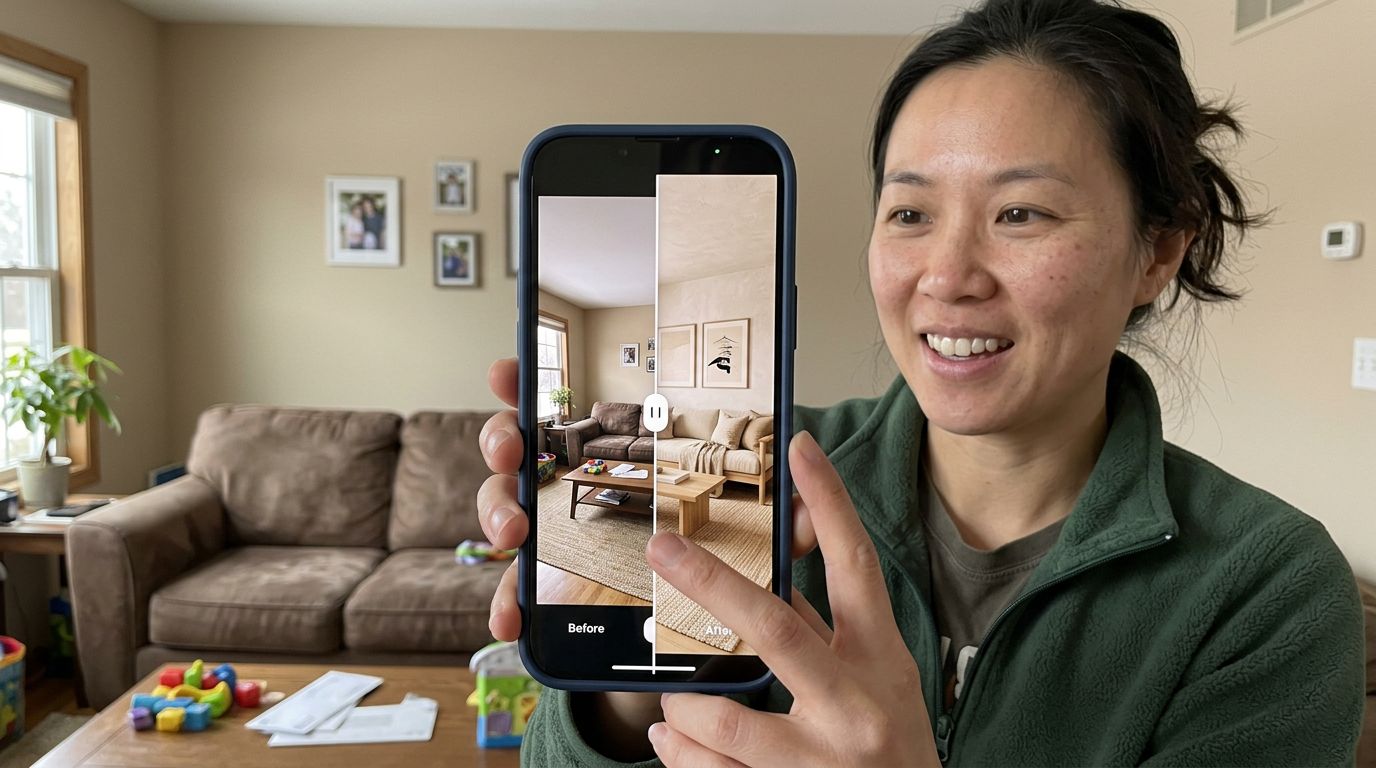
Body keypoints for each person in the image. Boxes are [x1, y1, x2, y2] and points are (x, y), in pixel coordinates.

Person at [475, 0, 1367, 765]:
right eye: (909, 212)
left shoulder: (1265, 591)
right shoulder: (788, 480)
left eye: (1020, 212)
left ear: (1158, 252)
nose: (947, 276)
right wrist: (643, 678)